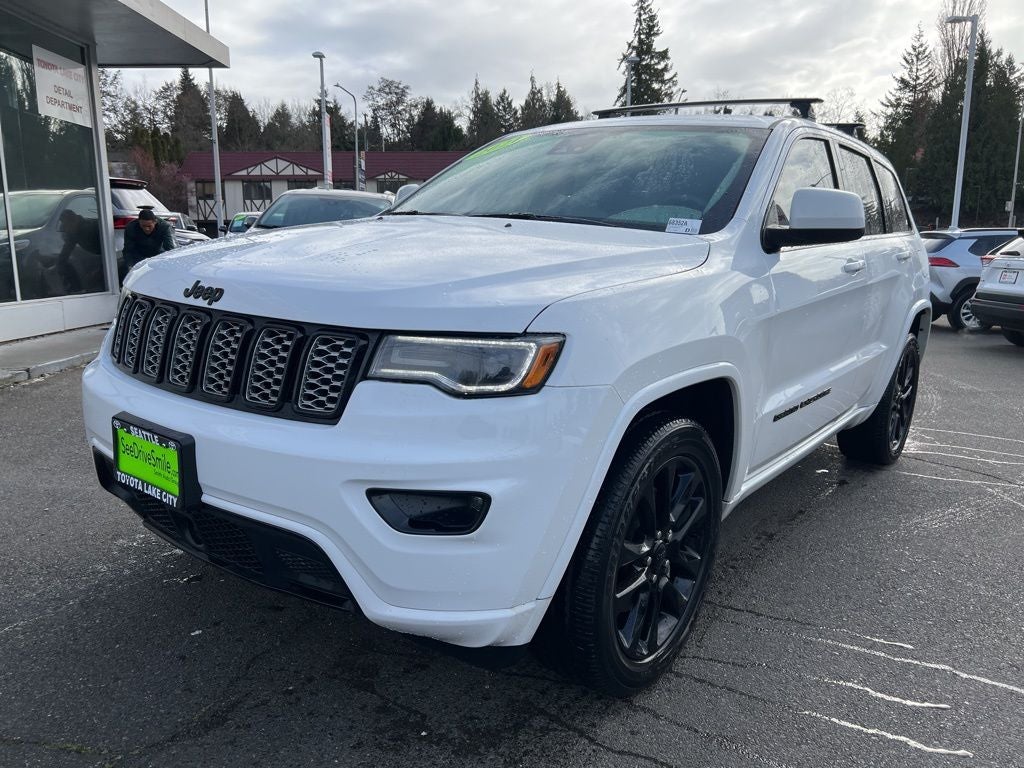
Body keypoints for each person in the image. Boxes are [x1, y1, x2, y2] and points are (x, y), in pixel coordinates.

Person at [122, 208, 175, 281]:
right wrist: (130, 267)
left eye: (149, 226)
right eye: (143, 226)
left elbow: (170, 250)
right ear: (139, 222)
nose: (146, 229)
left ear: (155, 222)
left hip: (157, 255)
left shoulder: (164, 227)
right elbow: (128, 250)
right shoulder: (131, 227)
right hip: (138, 256)